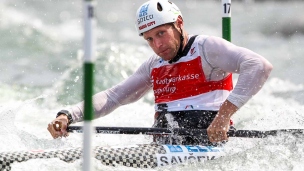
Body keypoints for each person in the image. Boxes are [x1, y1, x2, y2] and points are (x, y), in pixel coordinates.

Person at [47, 0, 273, 145]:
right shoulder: (154, 65)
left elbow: (259, 66)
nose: (157, 45)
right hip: (164, 146)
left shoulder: (207, 48)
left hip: (209, 145)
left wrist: (223, 117)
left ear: (179, 23)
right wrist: (68, 115)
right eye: (149, 39)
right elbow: (113, 97)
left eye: (162, 33)